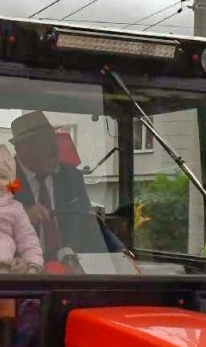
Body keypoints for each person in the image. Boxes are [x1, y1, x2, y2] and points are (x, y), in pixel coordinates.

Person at [9, 111, 122, 261]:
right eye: (43, 141)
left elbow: (90, 222)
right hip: (20, 269)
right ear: (21, 149)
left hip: (70, 265)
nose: (54, 148)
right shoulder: (2, 178)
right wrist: (19, 215)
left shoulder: (71, 177)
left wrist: (119, 255)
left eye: (53, 139)